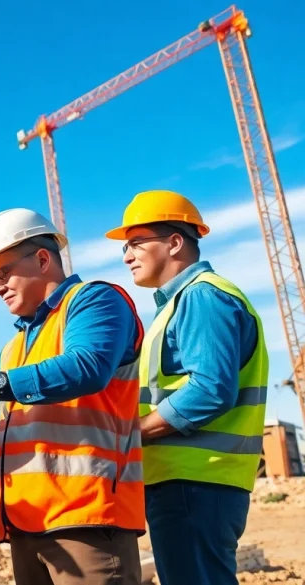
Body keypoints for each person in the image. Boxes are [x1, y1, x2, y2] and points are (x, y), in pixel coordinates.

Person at [0, 208, 146, 585]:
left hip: (87, 519)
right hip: (26, 524)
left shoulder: (94, 301)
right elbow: (7, 426)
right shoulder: (11, 350)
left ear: (43, 259)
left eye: (2, 273)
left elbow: (88, 366)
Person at [105, 190, 268, 585]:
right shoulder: (179, 303)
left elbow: (211, 389)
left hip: (195, 483)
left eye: (136, 243)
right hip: (190, 484)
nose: (126, 255)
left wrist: (132, 432)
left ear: (175, 242)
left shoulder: (201, 296)